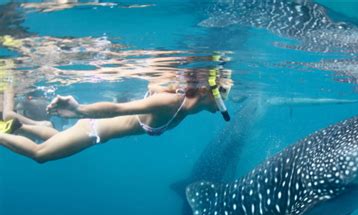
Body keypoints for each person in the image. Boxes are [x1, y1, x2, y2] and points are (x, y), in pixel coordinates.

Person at [0, 69, 232, 163]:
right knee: (40, 154)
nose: (227, 98)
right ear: (207, 91)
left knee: (53, 138)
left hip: (97, 131)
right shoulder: (171, 103)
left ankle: (18, 124)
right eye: (225, 91)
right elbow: (118, 110)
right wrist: (79, 109)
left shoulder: (186, 104)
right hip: (93, 129)